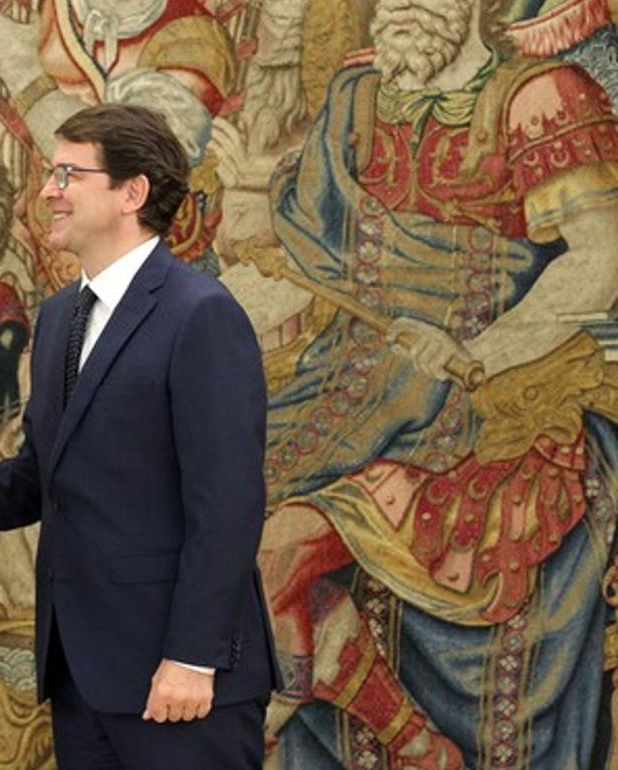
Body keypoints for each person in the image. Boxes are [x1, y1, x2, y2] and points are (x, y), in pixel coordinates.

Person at [225, 0, 618, 766]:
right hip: (347, 389)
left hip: (483, 407)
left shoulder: (541, 98)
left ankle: (389, 744)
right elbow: (302, 263)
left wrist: (480, 351)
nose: (396, 5)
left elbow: (601, 257)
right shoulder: (356, 97)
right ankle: (409, 742)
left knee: (277, 549)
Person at [0, 103, 280, 769]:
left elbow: (228, 506)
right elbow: (45, 473)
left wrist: (191, 657)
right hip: (80, 677)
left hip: (176, 682)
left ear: (132, 192)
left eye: (68, 175)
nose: (47, 192)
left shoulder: (201, 316)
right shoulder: (60, 318)